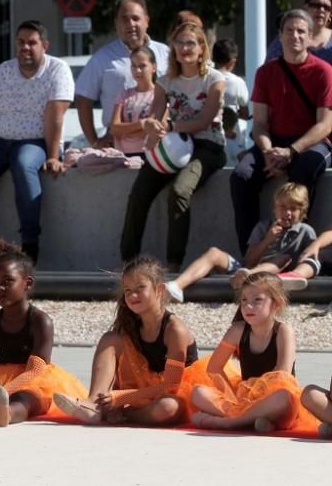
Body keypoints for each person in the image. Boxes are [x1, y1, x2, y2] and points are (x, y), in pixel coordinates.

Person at [0, 20, 74, 263]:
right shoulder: (5, 70)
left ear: (44, 45)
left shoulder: (57, 69)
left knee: (23, 165)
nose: (25, 47)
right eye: (21, 42)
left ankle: (30, 244)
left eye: (32, 43)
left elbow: (56, 115)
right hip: (0, 140)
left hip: (36, 141)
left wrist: (53, 156)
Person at [119, 21, 226, 271]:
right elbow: (155, 115)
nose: (184, 48)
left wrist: (171, 127)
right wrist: (150, 126)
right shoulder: (165, 81)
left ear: (202, 48)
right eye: (179, 43)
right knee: (139, 193)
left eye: (191, 43)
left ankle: (173, 265)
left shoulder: (214, 79)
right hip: (173, 147)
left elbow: (206, 119)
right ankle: (127, 263)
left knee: (179, 191)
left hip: (207, 146)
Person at [54, 257, 203, 426]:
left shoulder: (174, 330)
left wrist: (121, 398)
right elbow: (122, 369)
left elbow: (171, 385)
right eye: (127, 290)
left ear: (159, 289)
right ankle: (94, 404)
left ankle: (127, 415)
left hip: (175, 395)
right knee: (110, 338)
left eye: (140, 288)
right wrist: (111, 396)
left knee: (168, 407)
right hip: (143, 392)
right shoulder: (130, 325)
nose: (133, 295)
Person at [231, 9, 332, 254]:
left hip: (311, 143)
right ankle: (250, 253)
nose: (294, 36)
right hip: (273, 142)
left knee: (302, 170)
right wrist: (268, 152)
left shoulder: (324, 71)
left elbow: (325, 125)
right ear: (280, 36)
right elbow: (260, 124)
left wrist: (292, 151)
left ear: (310, 37)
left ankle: (294, 252)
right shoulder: (266, 72)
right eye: (289, 30)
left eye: (301, 31)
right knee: (241, 177)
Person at [0, 241, 87, 426]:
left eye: (7, 281)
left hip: (33, 380)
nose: (0, 288)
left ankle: (5, 413)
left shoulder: (40, 321)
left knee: (25, 400)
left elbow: (36, 370)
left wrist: (3, 393)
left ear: (27, 283)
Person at [190, 272, 311, 432]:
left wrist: (255, 398)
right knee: (198, 392)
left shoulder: (283, 331)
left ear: (276, 304)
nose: (248, 306)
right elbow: (214, 368)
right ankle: (254, 420)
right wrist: (233, 396)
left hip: (273, 397)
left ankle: (230, 422)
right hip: (244, 398)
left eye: (257, 300)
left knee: (282, 398)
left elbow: (282, 374)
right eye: (244, 300)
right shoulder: (237, 330)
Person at [165, 182, 316, 303]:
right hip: (244, 272)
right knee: (213, 253)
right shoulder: (263, 227)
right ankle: (177, 286)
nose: (287, 213)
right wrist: (267, 239)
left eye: (293, 209)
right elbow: (249, 260)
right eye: (283, 207)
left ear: (302, 212)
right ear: (274, 209)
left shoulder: (306, 231)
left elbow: (309, 262)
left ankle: (249, 277)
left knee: (282, 258)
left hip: (275, 277)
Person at [75, 0, 170, 148]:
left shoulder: (166, 54)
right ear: (116, 23)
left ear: (147, 20)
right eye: (124, 19)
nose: (130, 24)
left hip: (162, 141)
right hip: (119, 143)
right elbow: (83, 100)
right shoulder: (102, 59)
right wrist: (94, 141)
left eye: (135, 18)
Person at [109, 46, 157, 157]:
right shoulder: (124, 94)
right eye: (134, 66)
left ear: (153, 67)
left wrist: (125, 131)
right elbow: (114, 128)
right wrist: (140, 124)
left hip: (149, 153)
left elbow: (153, 129)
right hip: (125, 155)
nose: (137, 70)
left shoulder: (159, 95)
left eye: (142, 66)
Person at [265, 0, 332, 63]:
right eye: (316, 5)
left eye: (327, 7)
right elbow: (269, 69)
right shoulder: (288, 37)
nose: (321, 10)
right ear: (306, 7)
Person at [212, 38, 250, 165]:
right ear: (232, 62)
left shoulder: (206, 77)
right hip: (232, 135)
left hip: (209, 132)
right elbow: (244, 110)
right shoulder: (237, 82)